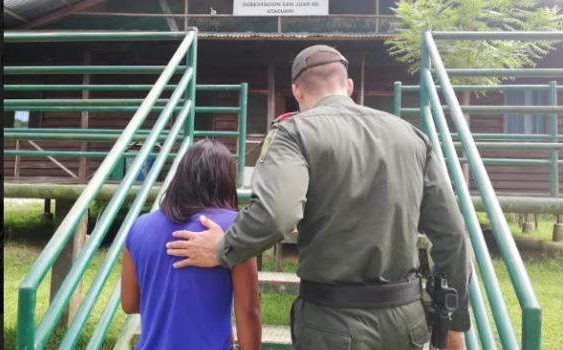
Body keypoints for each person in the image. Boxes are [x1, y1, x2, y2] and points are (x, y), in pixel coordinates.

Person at [166, 45, 471, 350]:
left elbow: (277, 214)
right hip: (407, 323)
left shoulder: (294, 133)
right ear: (349, 86)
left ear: (296, 91)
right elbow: (453, 235)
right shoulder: (412, 136)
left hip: (331, 324)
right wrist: (454, 324)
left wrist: (223, 249)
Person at [121, 139, 261, 350]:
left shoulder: (139, 227)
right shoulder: (235, 228)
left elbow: (129, 303)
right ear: (225, 181)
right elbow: (248, 309)